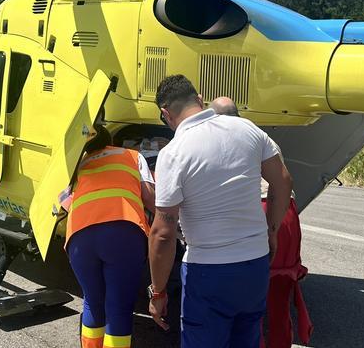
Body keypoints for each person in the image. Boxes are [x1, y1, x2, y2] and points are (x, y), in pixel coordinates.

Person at [147, 75, 294, 348]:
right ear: (200, 99)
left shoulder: (174, 152)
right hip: (255, 264)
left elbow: (163, 233)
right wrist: (271, 231)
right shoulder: (247, 129)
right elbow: (283, 180)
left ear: (166, 114)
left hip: (208, 271)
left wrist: (158, 292)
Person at [211, 97, 312, 348]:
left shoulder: (221, 141)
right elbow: (284, 182)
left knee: (248, 305)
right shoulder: (261, 136)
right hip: (287, 214)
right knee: (279, 299)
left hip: (261, 212)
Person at [63, 125, 156, 348]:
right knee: (118, 308)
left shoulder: (76, 165)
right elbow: (151, 200)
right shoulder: (133, 156)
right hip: (124, 233)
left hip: (79, 237)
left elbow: (64, 203)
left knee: (93, 303)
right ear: (111, 140)